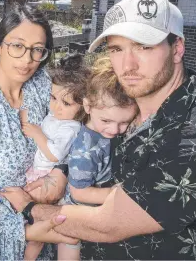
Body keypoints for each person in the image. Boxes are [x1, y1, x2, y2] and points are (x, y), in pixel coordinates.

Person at [1, 0, 196, 260]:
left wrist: (30, 209)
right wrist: (63, 171)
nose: (127, 65)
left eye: (144, 47)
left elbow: (106, 225)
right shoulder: (125, 107)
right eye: (116, 49)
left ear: (177, 48)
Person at [0, 4, 76, 261]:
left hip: (44, 229)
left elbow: (72, 133)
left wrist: (61, 172)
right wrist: (29, 230)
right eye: (17, 46)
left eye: (37, 50)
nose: (27, 59)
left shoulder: (43, 87)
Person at [58, 56, 138, 261]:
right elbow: (80, 192)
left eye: (124, 122)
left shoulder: (106, 133)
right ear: (87, 106)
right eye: (106, 120)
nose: (114, 129)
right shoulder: (86, 150)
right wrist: (118, 195)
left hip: (95, 215)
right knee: (70, 246)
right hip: (75, 215)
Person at [19, 54, 89, 260]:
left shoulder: (71, 127)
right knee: (28, 223)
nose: (57, 106)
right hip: (38, 173)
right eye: (53, 98)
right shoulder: (56, 116)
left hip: (46, 176)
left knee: (36, 231)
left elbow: (54, 153)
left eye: (66, 103)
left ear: (83, 106)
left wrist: (38, 134)